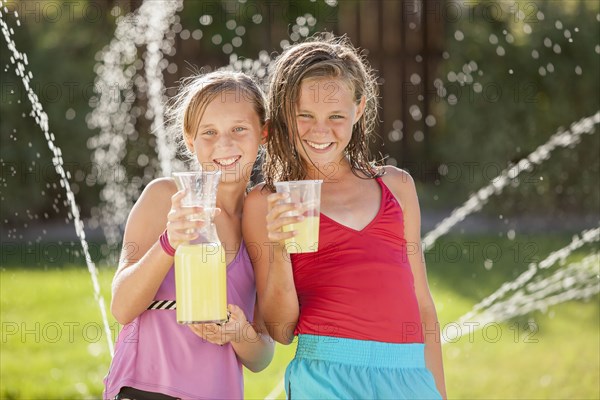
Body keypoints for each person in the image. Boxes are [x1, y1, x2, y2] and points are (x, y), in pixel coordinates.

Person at [243, 35, 446, 399]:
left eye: (336, 116)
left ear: (359, 108)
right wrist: (278, 248)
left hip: (408, 373)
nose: (320, 131)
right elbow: (280, 329)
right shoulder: (267, 201)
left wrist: (438, 391)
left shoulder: (396, 187)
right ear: (286, 115)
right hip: (325, 376)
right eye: (305, 116)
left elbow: (423, 306)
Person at [104, 71, 274, 400]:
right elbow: (122, 307)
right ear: (190, 140)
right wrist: (169, 241)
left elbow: (262, 357)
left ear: (263, 133)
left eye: (239, 129)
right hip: (146, 389)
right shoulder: (165, 197)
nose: (224, 143)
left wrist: (239, 333)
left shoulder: (260, 221)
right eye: (209, 132)